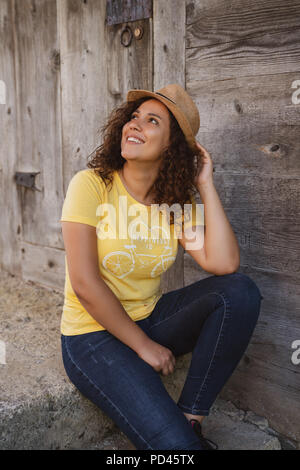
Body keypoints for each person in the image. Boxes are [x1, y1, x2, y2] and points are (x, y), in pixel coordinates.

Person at [60, 84, 263, 450]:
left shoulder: (175, 203)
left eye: (152, 121)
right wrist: (143, 346)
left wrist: (205, 184)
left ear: (170, 147)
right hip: (91, 338)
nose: (134, 125)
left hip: (149, 317)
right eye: (133, 117)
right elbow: (85, 283)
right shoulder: (91, 186)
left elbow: (225, 263)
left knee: (239, 292)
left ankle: (191, 417)